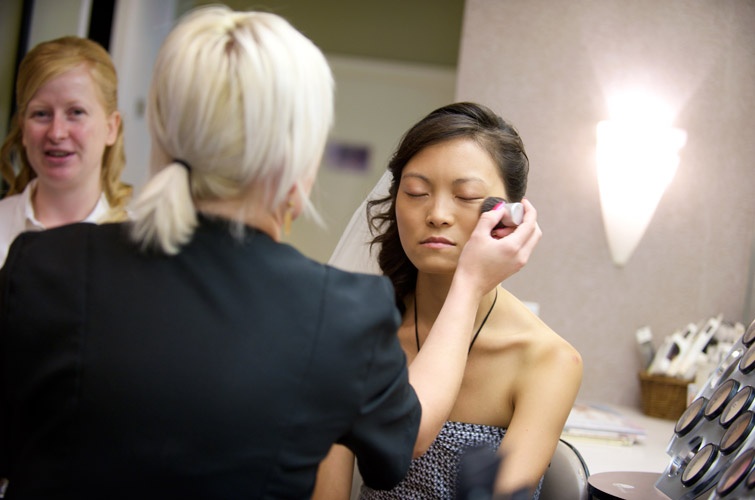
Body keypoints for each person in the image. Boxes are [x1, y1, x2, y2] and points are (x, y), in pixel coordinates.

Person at [0, 8, 542, 498]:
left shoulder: (42, 262)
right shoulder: (337, 311)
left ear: (161, 130)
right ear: (298, 157)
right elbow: (407, 437)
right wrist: (470, 284)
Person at [316, 102, 583, 499]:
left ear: (512, 214)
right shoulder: (358, 333)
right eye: (416, 193)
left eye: (466, 195)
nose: (437, 214)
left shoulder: (547, 360)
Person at [0, 36, 132, 267]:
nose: (56, 133)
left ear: (111, 128)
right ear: (23, 129)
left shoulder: (139, 243)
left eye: (76, 112)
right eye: (41, 114)